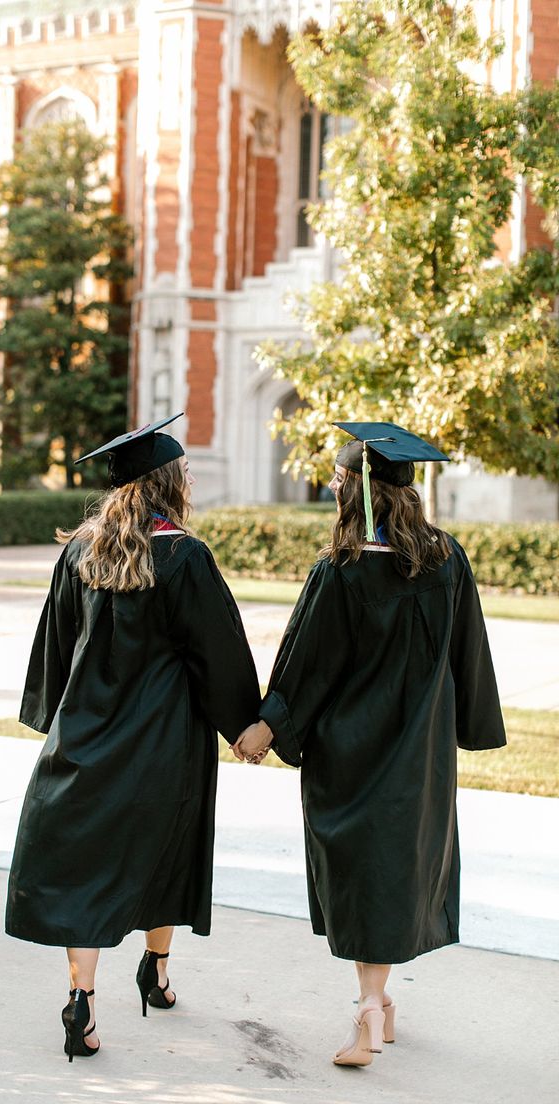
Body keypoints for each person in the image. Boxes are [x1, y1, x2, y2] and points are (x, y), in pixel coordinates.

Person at [234, 421, 506, 1068]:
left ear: (353, 493)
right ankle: (378, 1001)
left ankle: (368, 1009)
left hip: (349, 754)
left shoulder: (343, 571)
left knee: (362, 872)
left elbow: (306, 667)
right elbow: (470, 654)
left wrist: (264, 730)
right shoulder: (447, 561)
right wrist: (470, 725)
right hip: (418, 754)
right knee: (397, 868)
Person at [5, 413, 261, 1061]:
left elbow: (55, 653)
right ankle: (156, 970)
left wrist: (55, 722)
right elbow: (218, 655)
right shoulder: (184, 556)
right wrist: (246, 725)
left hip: (86, 740)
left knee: (86, 867)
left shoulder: (80, 552)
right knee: (165, 851)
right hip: (164, 745)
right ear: (170, 482)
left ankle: (82, 1000)